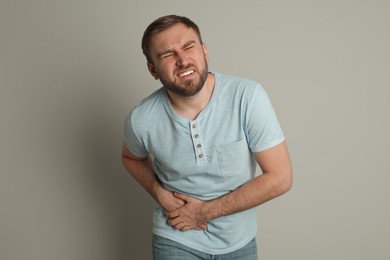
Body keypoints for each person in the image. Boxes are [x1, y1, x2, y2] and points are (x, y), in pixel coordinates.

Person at [122, 14, 293, 259]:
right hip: (175, 237)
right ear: (153, 70)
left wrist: (204, 212)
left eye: (188, 47)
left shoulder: (247, 97)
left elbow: (280, 178)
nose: (182, 60)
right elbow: (131, 157)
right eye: (167, 54)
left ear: (204, 51)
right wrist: (159, 194)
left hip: (238, 241)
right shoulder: (141, 118)